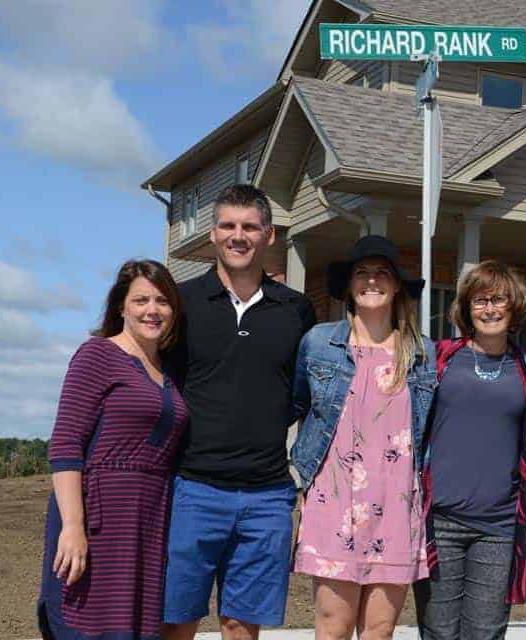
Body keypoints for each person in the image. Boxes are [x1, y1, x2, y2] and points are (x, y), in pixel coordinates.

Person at [161, 184, 317, 640]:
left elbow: (303, 393)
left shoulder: (295, 309)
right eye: (228, 225)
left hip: (267, 496)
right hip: (193, 488)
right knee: (176, 620)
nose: (238, 235)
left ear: (269, 235)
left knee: (241, 626)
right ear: (212, 234)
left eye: (250, 227)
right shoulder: (181, 303)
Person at [290, 234, 437, 640]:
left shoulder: (421, 353)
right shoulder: (319, 343)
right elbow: (296, 404)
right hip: (332, 505)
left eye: (382, 273)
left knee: (379, 632)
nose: (371, 281)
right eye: (362, 273)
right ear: (350, 286)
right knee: (332, 630)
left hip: (396, 508)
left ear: (396, 287)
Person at [38, 259, 188, 640]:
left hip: (150, 518)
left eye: (162, 301)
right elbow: (67, 444)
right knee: (92, 621)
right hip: (100, 514)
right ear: (120, 306)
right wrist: (73, 527)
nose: (152, 310)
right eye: (140, 300)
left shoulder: (169, 372)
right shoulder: (97, 356)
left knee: (136, 625)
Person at [413, 260, 526, 640]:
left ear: (513, 306)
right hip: (440, 520)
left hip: (498, 526)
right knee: (438, 630)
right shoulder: (438, 359)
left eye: (498, 300)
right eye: (479, 301)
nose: (489, 309)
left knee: (485, 632)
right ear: (467, 310)